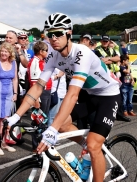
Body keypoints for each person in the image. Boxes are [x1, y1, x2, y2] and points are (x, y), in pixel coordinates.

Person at [7, 12, 121, 182]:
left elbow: (73, 93)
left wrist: (51, 129)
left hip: (108, 95)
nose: (54, 38)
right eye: (49, 34)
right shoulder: (53, 54)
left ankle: (92, 151)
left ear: (69, 33)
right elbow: (38, 86)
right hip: (89, 94)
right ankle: (86, 148)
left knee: (93, 144)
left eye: (58, 33)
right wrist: (14, 117)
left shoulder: (81, 53)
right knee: (63, 125)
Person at [95, 35, 130, 122]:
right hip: (104, 75)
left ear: (109, 41)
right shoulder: (97, 50)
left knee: (118, 95)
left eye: (106, 41)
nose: (105, 42)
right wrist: (112, 59)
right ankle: (104, 115)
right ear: (101, 41)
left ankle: (119, 114)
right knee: (105, 96)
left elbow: (118, 58)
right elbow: (102, 61)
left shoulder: (111, 49)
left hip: (113, 75)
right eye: (103, 41)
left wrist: (109, 58)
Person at [0, 42, 18, 156]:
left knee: (5, 119)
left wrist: (15, 93)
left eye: (6, 51)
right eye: (2, 51)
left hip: (9, 93)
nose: (3, 53)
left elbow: (15, 79)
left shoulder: (14, 62)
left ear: (10, 53)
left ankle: (4, 143)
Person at [27, 41, 52, 151]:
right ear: (41, 51)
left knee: (44, 120)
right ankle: (36, 146)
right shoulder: (34, 62)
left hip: (47, 91)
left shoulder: (41, 61)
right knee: (39, 120)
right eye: (46, 50)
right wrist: (36, 99)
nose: (48, 52)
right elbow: (34, 83)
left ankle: (42, 143)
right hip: (41, 93)